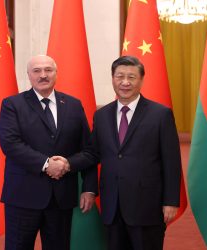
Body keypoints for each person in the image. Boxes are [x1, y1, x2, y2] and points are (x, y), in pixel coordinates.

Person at [63, 56, 181, 250]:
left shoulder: (160, 114)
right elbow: (92, 154)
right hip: (112, 205)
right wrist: (68, 163)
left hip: (146, 206)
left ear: (141, 80)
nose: (125, 82)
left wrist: (170, 201)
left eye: (131, 77)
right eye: (120, 76)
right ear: (112, 78)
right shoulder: (101, 115)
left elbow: (171, 161)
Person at [0, 55, 97, 250]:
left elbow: (89, 150)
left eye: (48, 70)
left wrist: (89, 187)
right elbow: (10, 144)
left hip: (61, 198)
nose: (43, 75)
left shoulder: (73, 105)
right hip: (23, 196)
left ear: (56, 73)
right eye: (37, 71)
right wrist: (46, 164)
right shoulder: (12, 105)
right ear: (28, 75)